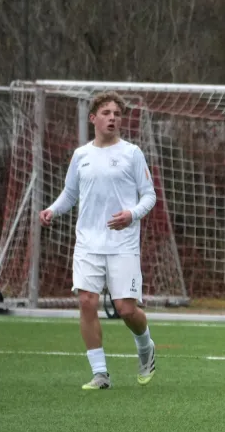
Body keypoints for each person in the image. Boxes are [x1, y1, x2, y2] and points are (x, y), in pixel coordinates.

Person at [39, 91, 157, 390]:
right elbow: (70, 194)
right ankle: (100, 373)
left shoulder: (132, 153)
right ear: (93, 118)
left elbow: (149, 196)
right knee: (87, 302)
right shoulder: (81, 155)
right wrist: (52, 210)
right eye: (106, 113)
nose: (112, 118)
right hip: (88, 243)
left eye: (117, 114)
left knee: (126, 309)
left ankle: (145, 346)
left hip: (123, 243)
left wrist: (131, 214)